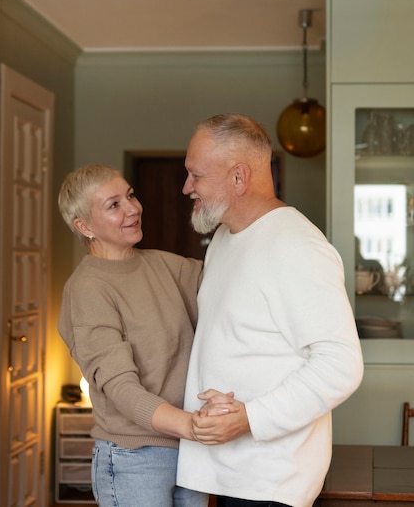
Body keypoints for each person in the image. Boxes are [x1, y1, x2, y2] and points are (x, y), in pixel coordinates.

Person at [176, 114, 364, 507]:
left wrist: (249, 418)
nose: (186, 187)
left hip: (271, 483)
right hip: (233, 475)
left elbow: (341, 364)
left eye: (196, 175)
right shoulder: (224, 240)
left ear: (239, 178)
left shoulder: (296, 246)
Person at [57, 163, 224, 507]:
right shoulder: (88, 289)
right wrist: (191, 426)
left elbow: (231, 283)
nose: (133, 208)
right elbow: (121, 388)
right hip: (133, 457)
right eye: (113, 205)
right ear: (84, 226)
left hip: (189, 451)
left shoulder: (166, 266)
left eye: (130, 195)